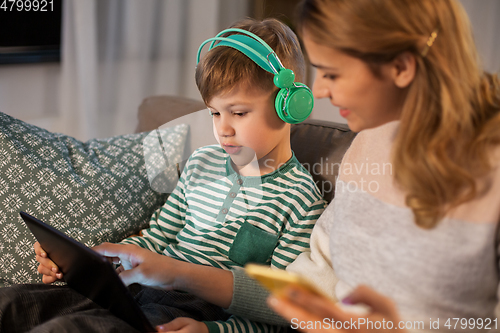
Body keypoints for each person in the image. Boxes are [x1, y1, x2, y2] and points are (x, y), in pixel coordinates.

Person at [3, 18, 326, 333]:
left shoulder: (299, 199)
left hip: (190, 307)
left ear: (289, 106)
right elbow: (156, 238)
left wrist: (211, 329)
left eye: (238, 113)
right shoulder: (201, 163)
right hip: (134, 289)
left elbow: (282, 310)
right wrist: (90, 264)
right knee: (13, 303)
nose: (223, 129)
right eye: (215, 112)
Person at [221, 0, 500, 332]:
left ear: (401, 67)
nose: (319, 90)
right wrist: (185, 282)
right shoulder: (370, 142)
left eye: (332, 73)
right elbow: (315, 281)